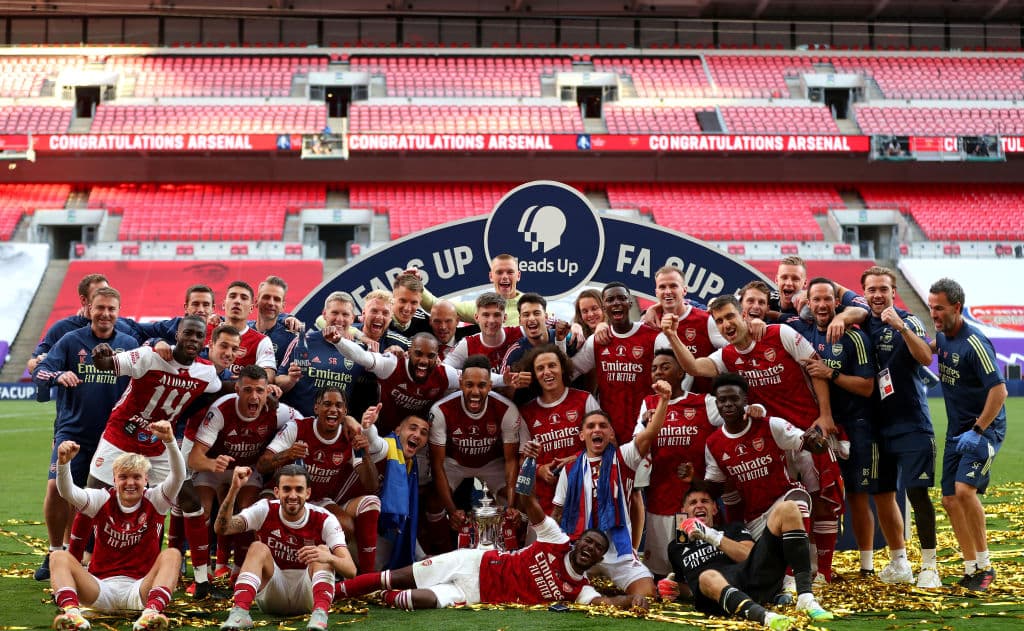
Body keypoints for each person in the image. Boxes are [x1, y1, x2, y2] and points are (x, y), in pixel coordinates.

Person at [665, 295, 844, 582]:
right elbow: (695, 368)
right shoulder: (727, 356)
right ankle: (793, 570)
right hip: (771, 439)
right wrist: (672, 335)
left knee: (821, 498)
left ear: (744, 315)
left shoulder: (779, 334)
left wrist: (824, 416)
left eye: (729, 317)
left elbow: (815, 367)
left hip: (805, 432)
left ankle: (820, 571)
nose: (726, 325)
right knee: (788, 504)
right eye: (719, 321)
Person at [335, 489, 648, 611]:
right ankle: (336, 593)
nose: (589, 549)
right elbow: (530, 504)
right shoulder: (556, 540)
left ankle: (377, 597)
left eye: (597, 549)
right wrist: (528, 468)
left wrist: (632, 599)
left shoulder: (579, 588)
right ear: (577, 541)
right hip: (474, 562)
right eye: (588, 542)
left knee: (413, 601)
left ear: (596, 559)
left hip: (477, 595)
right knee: (394, 577)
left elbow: (606, 601)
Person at [32, 287, 138, 581]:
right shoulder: (70, 340)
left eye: (111, 309)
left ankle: (98, 556)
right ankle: (55, 552)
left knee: (104, 497)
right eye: (100, 307)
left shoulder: (129, 343)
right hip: (73, 431)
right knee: (57, 489)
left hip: (114, 437)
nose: (105, 314)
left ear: (118, 311)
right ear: (89, 309)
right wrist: (57, 375)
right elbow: (40, 371)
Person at [50, 420, 185, 631]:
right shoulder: (101, 499)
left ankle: (151, 613)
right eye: (123, 477)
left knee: (173, 555)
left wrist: (170, 442)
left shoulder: (156, 500)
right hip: (100, 589)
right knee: (58, 556)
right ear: (114, 480)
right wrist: (63, 464)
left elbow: (178, 477)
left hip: (140, 589)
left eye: (136, 477)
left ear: (146, 480)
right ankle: (72, 615)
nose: (130, 483)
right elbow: (68, 492)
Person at [550, 380, 676, 598]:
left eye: (603, 426)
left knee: (646, 594)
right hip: (580, 548)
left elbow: (649, 434)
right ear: (582, 435)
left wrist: (664, 400)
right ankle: (599, 593)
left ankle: (600, 594)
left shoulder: (624, 457)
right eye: (590, 426)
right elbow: (558, 512)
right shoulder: (569, 469)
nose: (597, 429)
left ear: (610, 434)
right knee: (555, 589)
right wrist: (553, 549)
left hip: (619, 552)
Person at [860, 266, 940, 587]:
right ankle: (900, 563)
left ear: (894, 292)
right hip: (878, 426)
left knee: (918, 494)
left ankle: (930, 566)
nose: (878, 295)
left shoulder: (909, 320)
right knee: (882, 495)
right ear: (864, 294)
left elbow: (924, 358)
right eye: (872, 290)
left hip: (911, 423)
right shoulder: (862, 322)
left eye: (884, 289)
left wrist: (901, 328)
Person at [790, 278, 874, 579]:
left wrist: (831, 373)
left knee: (856, 495)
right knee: (820, 497)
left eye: (828, 299)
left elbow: (867, 387)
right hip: (818, 428)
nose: (823, 305)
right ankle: (817, 567)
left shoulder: (854, 337)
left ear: (836, 303)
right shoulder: (800, 331)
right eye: (817, 300)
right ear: (808, 304)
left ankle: (866, 566)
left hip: (855, 424)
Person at [928, 277, 1008, 591]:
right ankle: (971, 566)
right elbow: (929, 349)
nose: (934, 314)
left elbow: (999, 391)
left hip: (983, 429)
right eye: (931, 307)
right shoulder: (942, 335)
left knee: (963, 491)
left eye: (940, 308)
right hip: (956, 431)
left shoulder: (975, 341)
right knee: (949, 499)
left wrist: (978, 430)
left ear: (957, 308)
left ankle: (986, 566)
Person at [663, 483, 831, 629]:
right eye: (693, 503)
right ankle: (764, 617)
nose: (699, 506)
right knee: (708, 576)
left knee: (789, 508)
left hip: (751, 577)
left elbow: (748, 556)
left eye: (705, 501)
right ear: (683, 511)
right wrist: (674, 588)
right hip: (717, 596)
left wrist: (711, 536)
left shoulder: (732, 529)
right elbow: (690, 588)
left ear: (714, 508)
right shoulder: (676, 547)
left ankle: (805, 598)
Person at [188, 365, 302, 580]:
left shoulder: (277, 410)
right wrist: (213, 464)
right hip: (214, 467)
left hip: (249, 469)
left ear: (268, 391)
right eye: (248, 390)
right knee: (201, 510)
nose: (254, 396)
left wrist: (348, 421)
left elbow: (304, 423)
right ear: (237, 390)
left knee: (249, 509)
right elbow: (194, 459)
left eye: (260, 390)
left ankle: (239, 570)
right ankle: (202, 576)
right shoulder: (221, 409)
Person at [258, 387, 384, 573]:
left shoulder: (350, 437)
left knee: (346, 526)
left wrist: (365, 454)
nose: (333, 409)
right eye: (327, 404)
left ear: (345, 412)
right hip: (283, 494)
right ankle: (267, 565)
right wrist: (288, 454)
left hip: (317, 499)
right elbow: (262, 465)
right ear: (316, 408)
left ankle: (315, 567)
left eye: (339, 406)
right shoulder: (297, 428)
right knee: (262, 510)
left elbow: (371, 486)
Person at [216, 464, 355, 631]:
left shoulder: (325, 518)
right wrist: (234, 489)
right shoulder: (265, 509)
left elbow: (351, 570)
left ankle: (319, 616)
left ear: (308, 493)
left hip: (308, 594)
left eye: (299, 489)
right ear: (277, 492)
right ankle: (239, 614)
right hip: (271, 593)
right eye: (287, 489)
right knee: (257, 547)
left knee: (323, 551)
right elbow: (222, 529)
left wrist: (329, 557)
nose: (293, 495)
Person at [632, 349, 722, 577]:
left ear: (682, 372)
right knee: (659, 571)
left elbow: (735, 422)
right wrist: (644, 427)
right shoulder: (648, 404)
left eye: (665, 366)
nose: (658, 372)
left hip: (690, 502)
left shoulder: (704, 403)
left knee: (686, 562)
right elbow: (638, 443)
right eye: (653, 368)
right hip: (658, 500)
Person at [428, 355, 521, 521]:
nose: (475, 392)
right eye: (469, 385)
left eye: (482, 385)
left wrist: (512, 506)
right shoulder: (441, 410)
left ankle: (506, 540)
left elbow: (511, 460)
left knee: (515, 500)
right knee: (435, 500)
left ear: (490, 386)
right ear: (461, 383)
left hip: (491, 463)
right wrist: (452, 511)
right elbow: (437, 464)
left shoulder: (507, 409)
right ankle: (442, 544)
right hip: (454, 463)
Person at [516, 345, 599, 513]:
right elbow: (522, 460)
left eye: (552, 365)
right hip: (545, 499)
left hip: (584, 490)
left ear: (562, 368)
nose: (547, 372)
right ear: (534, 375)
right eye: (540, 368)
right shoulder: (526, 413)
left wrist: (576, 459)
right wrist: (539, 470)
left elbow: (605, 443)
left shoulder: (584, 400)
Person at [329, 330, 460, 435]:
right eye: (418, 354)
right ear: (409, 353)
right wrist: (338, 341)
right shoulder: (392, 365)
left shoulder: (446, 374)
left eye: (430, 356)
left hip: (418, 440)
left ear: (437, 357)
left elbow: (472, 380)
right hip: (384, 436)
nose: (424, 361)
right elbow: (362, 357)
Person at [277, 291, 367, 417]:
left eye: (345, 314)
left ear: (352, 318)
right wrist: (291, 380)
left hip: (335, 428)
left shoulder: (359, 351)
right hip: (300, 426)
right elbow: (278, 382)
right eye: (334, 313)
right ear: (324, 314)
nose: (339, 319)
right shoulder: (302, 341)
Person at [420, 254, 526, 325]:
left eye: (510, 272)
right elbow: (437, 306)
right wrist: (417, 284)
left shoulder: (530, 305)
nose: (504, 277)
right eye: (499, 272)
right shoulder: (480, 306)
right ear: (491, 276)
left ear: (518, 275)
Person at [442, 292, 523, 371]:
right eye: (486, 315)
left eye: (496, 315)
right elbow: (442, 371)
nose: (491, 320)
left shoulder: (520, 333)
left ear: (505, 318)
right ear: (477, 317)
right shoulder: (467, 345)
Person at [499, 292, 571, 376]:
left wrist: (561, 341)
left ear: (546, 317)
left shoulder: (564, 336)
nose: (532, 318)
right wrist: (514, 385)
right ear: (520, 321)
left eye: (537, 313)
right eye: (526, 315)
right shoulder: (515, 352)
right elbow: (502, 384)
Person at [216, 280, 277, 380]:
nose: (237, 301)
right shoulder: (206, 331)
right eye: (232, 296)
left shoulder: (262, 341)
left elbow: (268, 376)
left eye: (244, 298)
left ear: (251, 308)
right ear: (223, 304)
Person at [132, 284, 216, 345]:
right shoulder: (171, 327)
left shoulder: (223, 328)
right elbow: (130, 326)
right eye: (195, 304)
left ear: (213, 308)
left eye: (206, 305)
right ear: (186, 307)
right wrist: (155, 342)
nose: (200, 310)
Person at [253, 276, 295, 367]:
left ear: (283, 306)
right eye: (266, 297)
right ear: (256, 301)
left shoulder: (291, 340)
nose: (271, 303)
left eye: (277, 299)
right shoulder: (242, 331)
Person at [390, 271, 432, 337]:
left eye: (414, 302)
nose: (407, 308)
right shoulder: (379, 322)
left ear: (420, 302)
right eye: (402, 301)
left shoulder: (425, 321)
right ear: (393, 298)